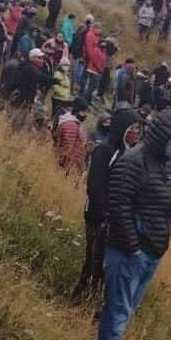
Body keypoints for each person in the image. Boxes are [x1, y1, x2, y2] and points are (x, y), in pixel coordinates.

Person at [91, 109, 171, 340]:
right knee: (118, 309)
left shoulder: (166, 165)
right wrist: (134, 247)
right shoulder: (132, 162)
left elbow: (164, 208)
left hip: (151, 252)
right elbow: (118, 205)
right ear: (163, 137)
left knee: (126, 309)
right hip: (128, 253)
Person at [72, 108, 139, 300]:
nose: (136, 133)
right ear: (123, 128)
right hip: (97, 216)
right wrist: (103, 216)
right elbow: (95, 186)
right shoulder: (105, 150)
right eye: (132, 128)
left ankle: (90, 298)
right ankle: (81, 297)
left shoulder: (125, 152)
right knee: (93, 258)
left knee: (102, 262)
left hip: (111, 218)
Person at [54, 97, 88, 174]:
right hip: (69, 167)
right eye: (84, 111)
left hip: (71, 165)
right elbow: (67, 148)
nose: (85, 114)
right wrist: (70, 168)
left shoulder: (74, 122)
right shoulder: (71, 125)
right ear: (77, 110)